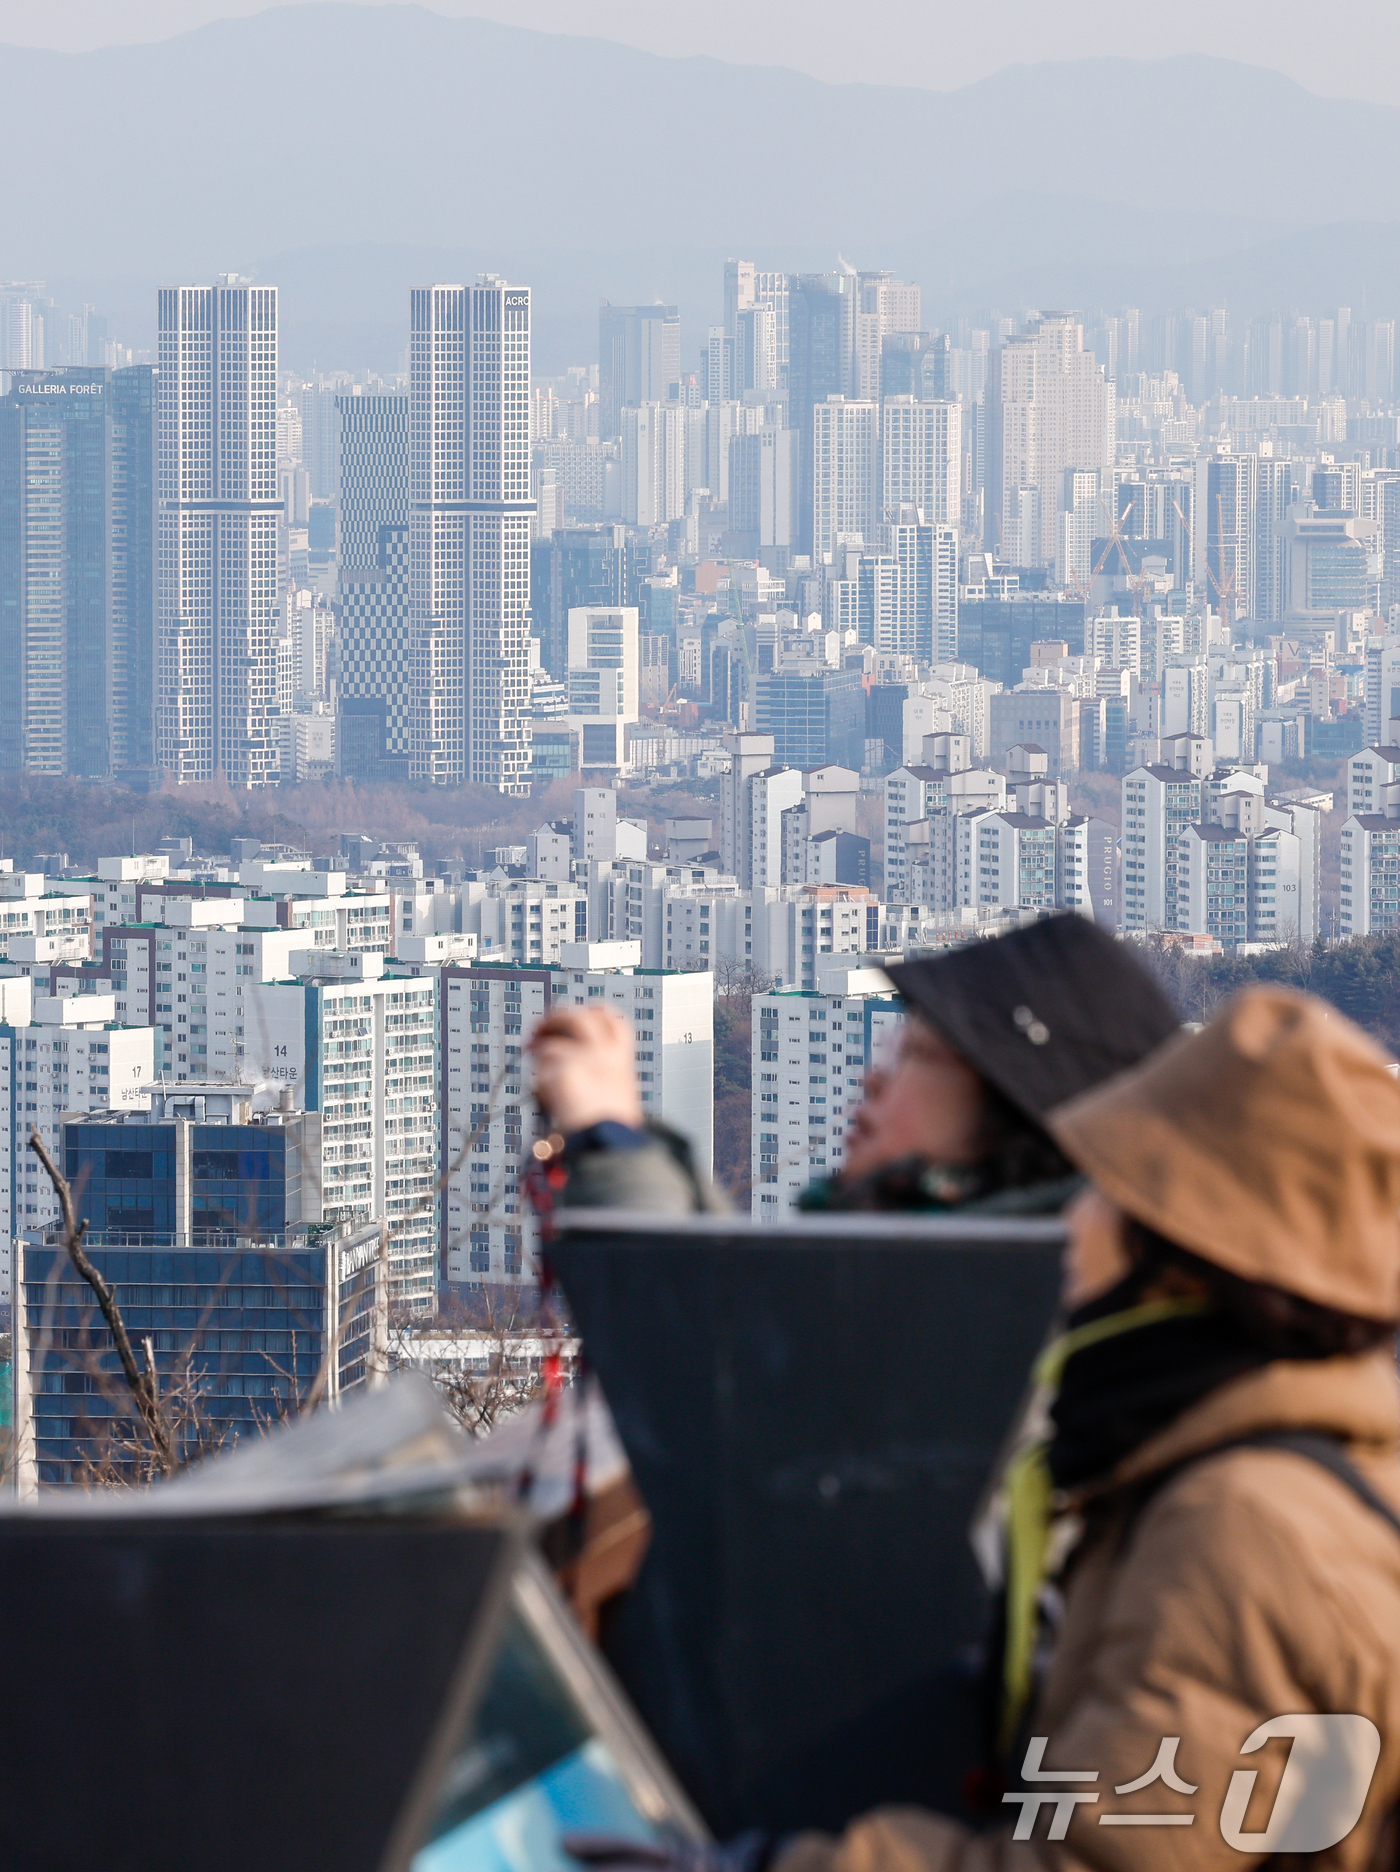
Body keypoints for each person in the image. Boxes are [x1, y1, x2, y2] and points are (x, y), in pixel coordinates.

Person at [571, 984, 1400, 1872]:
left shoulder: (1237, 1528)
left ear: (1185, 1262)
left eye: (1110, 1195)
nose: (1075, 1226)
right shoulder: (1262, 1472)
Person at [528, 915, 1179, 1217]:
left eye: (919, 1057)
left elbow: (715, 1359)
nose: (875, 1079)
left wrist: (610, 1142)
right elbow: (736, 1295)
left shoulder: (966, 1316)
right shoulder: (961, 1272)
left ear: (1016, 1116)